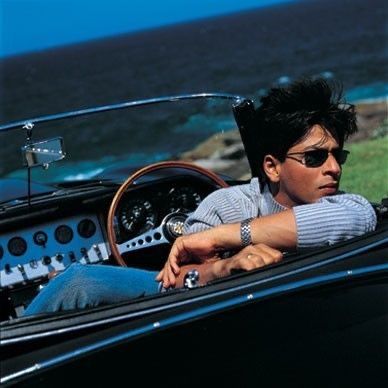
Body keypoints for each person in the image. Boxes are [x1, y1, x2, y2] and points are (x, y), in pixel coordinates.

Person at [23, 78, 377, 316]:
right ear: (271, 167)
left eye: (337, 155)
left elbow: (351, 219)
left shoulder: (347, 207)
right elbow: (175, 280)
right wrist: (224, 266)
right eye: (315, 157)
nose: (333, 168)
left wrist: (221, 237)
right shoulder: (227, 204)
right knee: (79, 280)